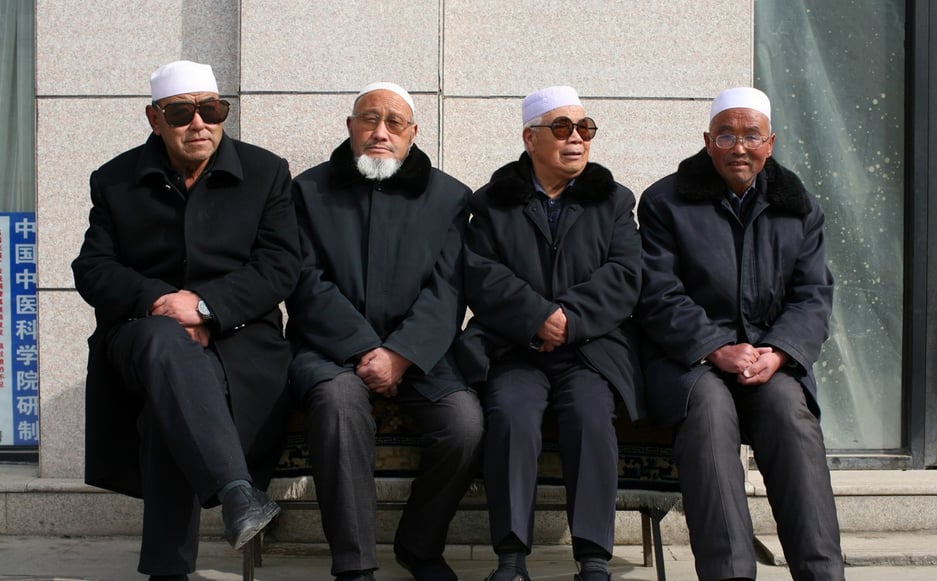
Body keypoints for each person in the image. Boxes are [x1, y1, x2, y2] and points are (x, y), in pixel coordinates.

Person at [71, 60, 300, 581]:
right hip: (141, 335)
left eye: (211, 109)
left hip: (238, 343)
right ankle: (238, 492)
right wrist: (162, 301)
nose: (199, 123)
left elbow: (281, 266)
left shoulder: (266, 173)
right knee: (161, 344)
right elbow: (93, 268)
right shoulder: (115, 180)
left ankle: (167, 572)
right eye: (181, 113)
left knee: (167, 403)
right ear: (155, 119)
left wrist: (204, 307)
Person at [636, 87, 844, 580]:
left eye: (751, 136)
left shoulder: (800, 208)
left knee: (789, 414)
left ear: (770, 142)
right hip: (690, 361)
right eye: (726, 135)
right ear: (708, 141)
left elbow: (813, 295)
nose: (739, 147)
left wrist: (778, 353)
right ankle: (729, 573)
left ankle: (823, 573)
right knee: (707, 413)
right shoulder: (665, 201)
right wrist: (714, 347)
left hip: (769, 359)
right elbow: (656, 293)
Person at [285, 82, 484, 581]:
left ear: (413, 133)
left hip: (420, 353)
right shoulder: (308, 191)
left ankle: (418, 546)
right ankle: (355, 566)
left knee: (464, 426)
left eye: (394, 122)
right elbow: (306, 282)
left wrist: (400, 354)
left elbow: (447, 292)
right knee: (337, 405)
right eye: (369, 120)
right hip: (329, 349)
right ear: (350, 127)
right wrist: (362, 348)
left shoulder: (450, 197)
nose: (380, 131)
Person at [456, 86, 642, 581]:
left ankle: (594, 559)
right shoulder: (492, 203)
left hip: (589, 351)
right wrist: (536, 315)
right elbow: (481, 273)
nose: (576, 139)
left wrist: (570, 319)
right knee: (512, 415)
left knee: (590, 415)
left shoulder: (614, 201)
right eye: (561, 129)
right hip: (515, 347)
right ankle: (512, 557)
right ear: (530, 138)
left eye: (585, 129)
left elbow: (625, 275)